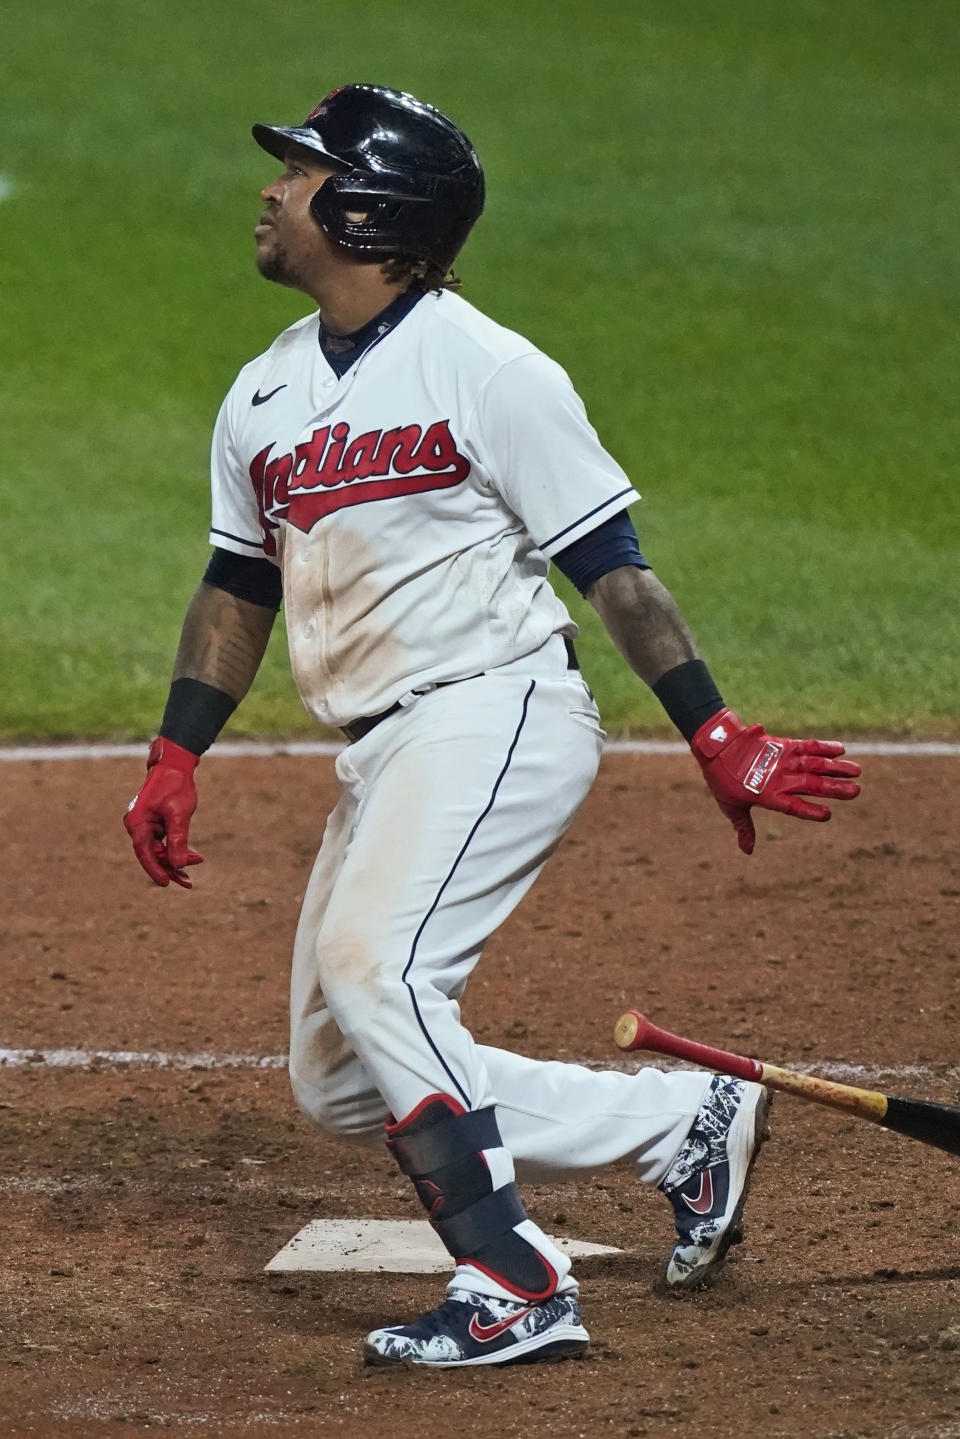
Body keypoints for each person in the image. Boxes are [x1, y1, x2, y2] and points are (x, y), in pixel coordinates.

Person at [123, 84, 862, 1369]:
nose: (271, 188)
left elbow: (613, 568)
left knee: (375, 968)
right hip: (384, 745)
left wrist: (715, 729)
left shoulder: (491, 368)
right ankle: (680, 1123)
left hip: (499, 709)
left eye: (299, 171)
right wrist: (178, 749)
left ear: (364, 207)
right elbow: (238, 585)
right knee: (342, 1077)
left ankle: (516, 1280)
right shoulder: (262, 396)